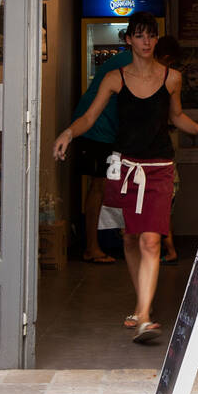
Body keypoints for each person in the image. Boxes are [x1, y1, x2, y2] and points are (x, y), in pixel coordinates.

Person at [54, 12, 198, 344]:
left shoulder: (172, 78)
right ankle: (141, 305)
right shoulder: (115, 78)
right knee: (129, 237)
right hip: (123, 166)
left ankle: (143, 314)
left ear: (156, 39)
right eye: (139, 36)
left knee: (151, 240)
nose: (146, 42)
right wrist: (68, 133)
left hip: (158, 168)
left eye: (151, 36)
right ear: (128, 40)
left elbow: (177, 116)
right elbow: (90, 116)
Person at [70, 46, 132, 264]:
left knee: (103, 186)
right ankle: (91, 247)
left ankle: (99, 244)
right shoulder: (130, 62)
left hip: (103, 129)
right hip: (97, 129)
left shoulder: (130, 60)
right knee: (98, 187)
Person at [152, 35, 183, 265]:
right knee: (164, 206)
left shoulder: (168, 79)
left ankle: (169, 249)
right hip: (161, 157)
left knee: (161, 206)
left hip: (158, 158)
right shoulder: (166, 79)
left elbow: (176, 115)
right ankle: (169, 249)